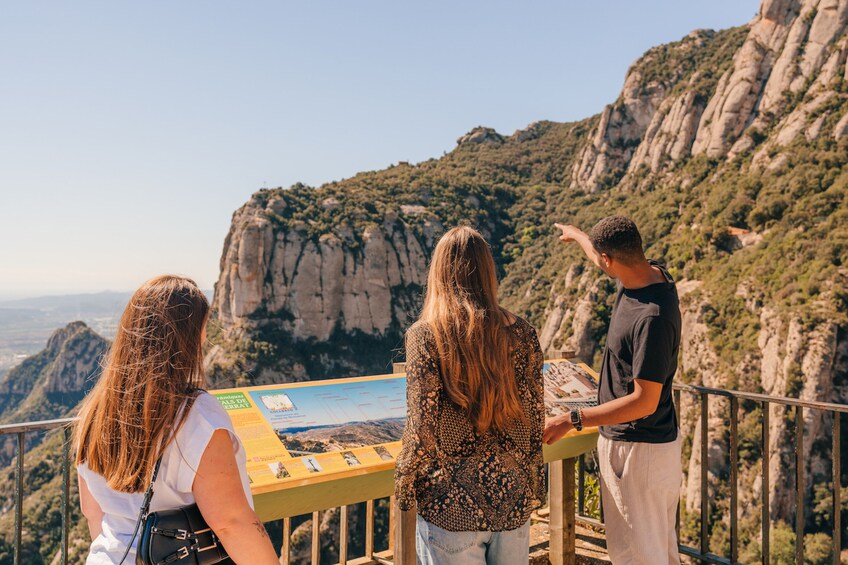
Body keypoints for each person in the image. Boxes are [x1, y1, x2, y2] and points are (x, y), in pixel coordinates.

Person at [74, 275, 278, 564]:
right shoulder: (198, 416)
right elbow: (231, 523)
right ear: (190, 338)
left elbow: (93, 512)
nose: (206, 339)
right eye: (204, 330)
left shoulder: (91, 414)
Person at [395, 226, 546, 565]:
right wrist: (532, 488)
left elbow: (422, 430)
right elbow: (536, 420)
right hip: (511, 501)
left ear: (440, 272)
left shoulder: (425, 335)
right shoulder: (522, 332)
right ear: (488, 272)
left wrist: (404, 482)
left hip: (451, 508)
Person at [544, 217, 682, 565]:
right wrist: (577, 235)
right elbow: (598, 253)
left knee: (636, 556)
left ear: (611, 260)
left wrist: (572, 419)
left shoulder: (652, 317)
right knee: (660, 552)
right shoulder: (647, 274)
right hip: (650, 448)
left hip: (638, 451)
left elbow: (644, 401)